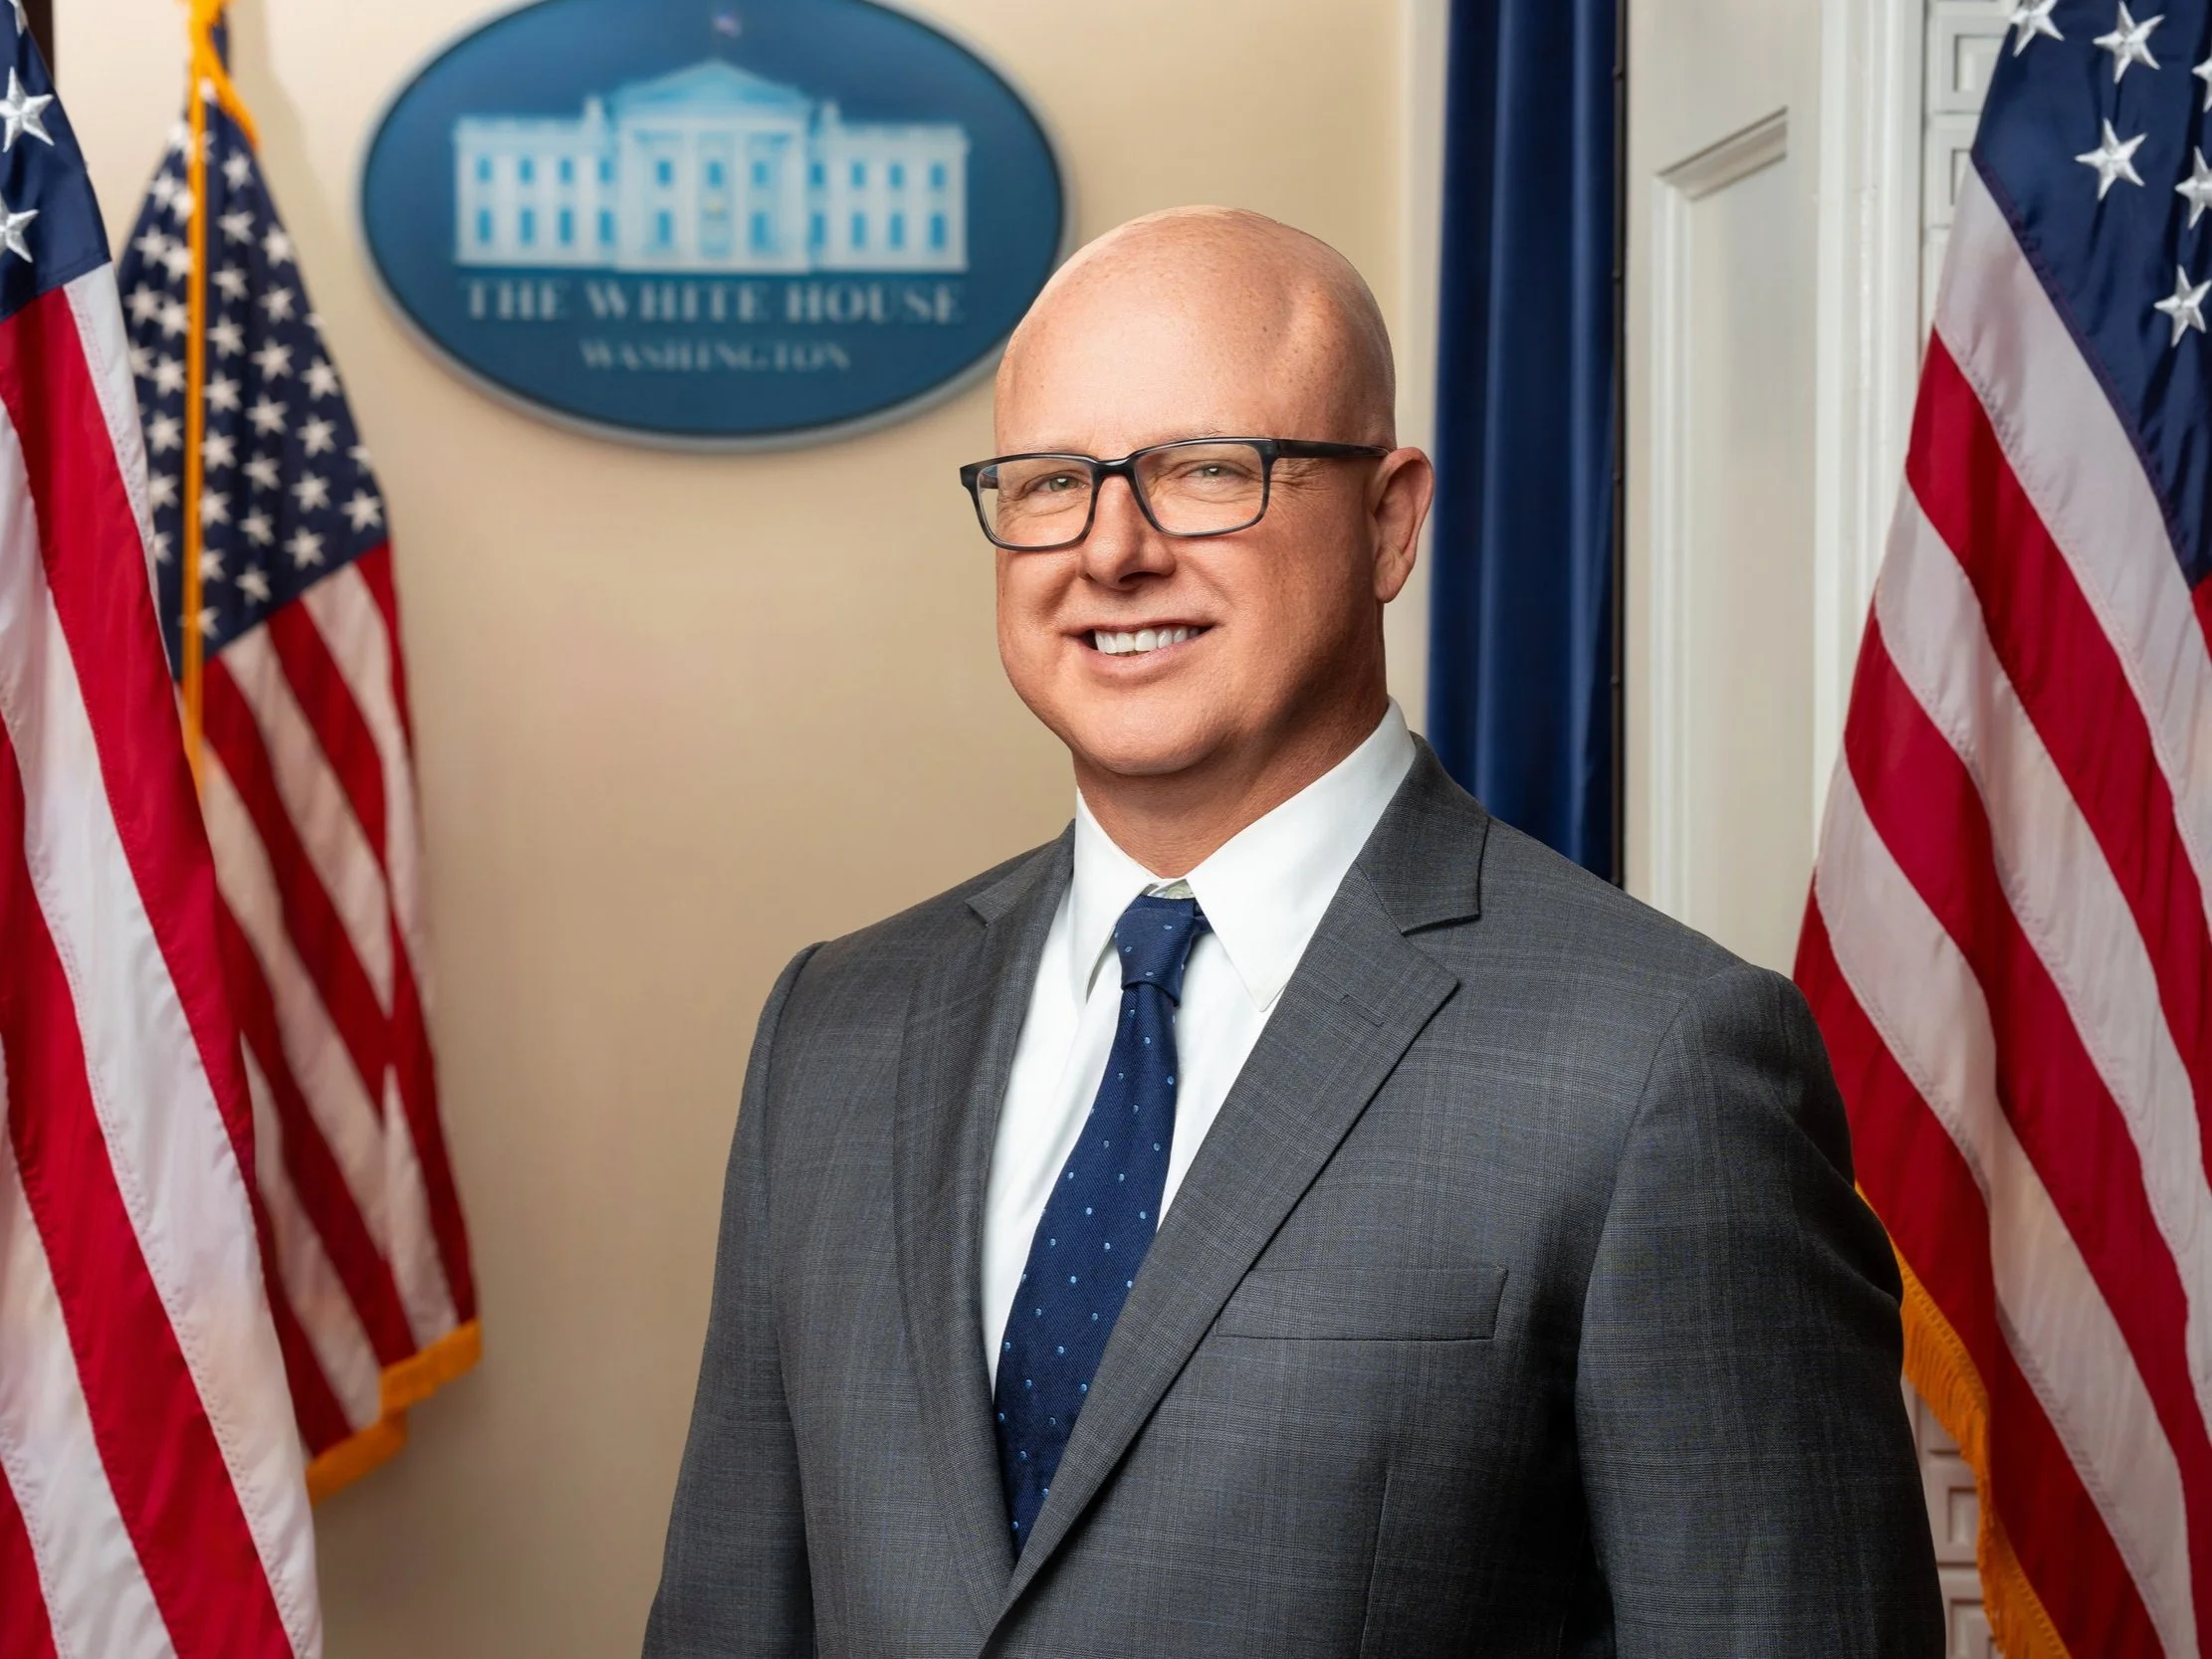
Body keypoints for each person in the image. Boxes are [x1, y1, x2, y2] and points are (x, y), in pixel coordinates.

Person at [643, 207, 1942, 1657]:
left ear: (1388, 519)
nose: (1110, 550)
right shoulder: (836, 1028)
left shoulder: (1658, 1066)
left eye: (1204, 470)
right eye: (1050, 480)